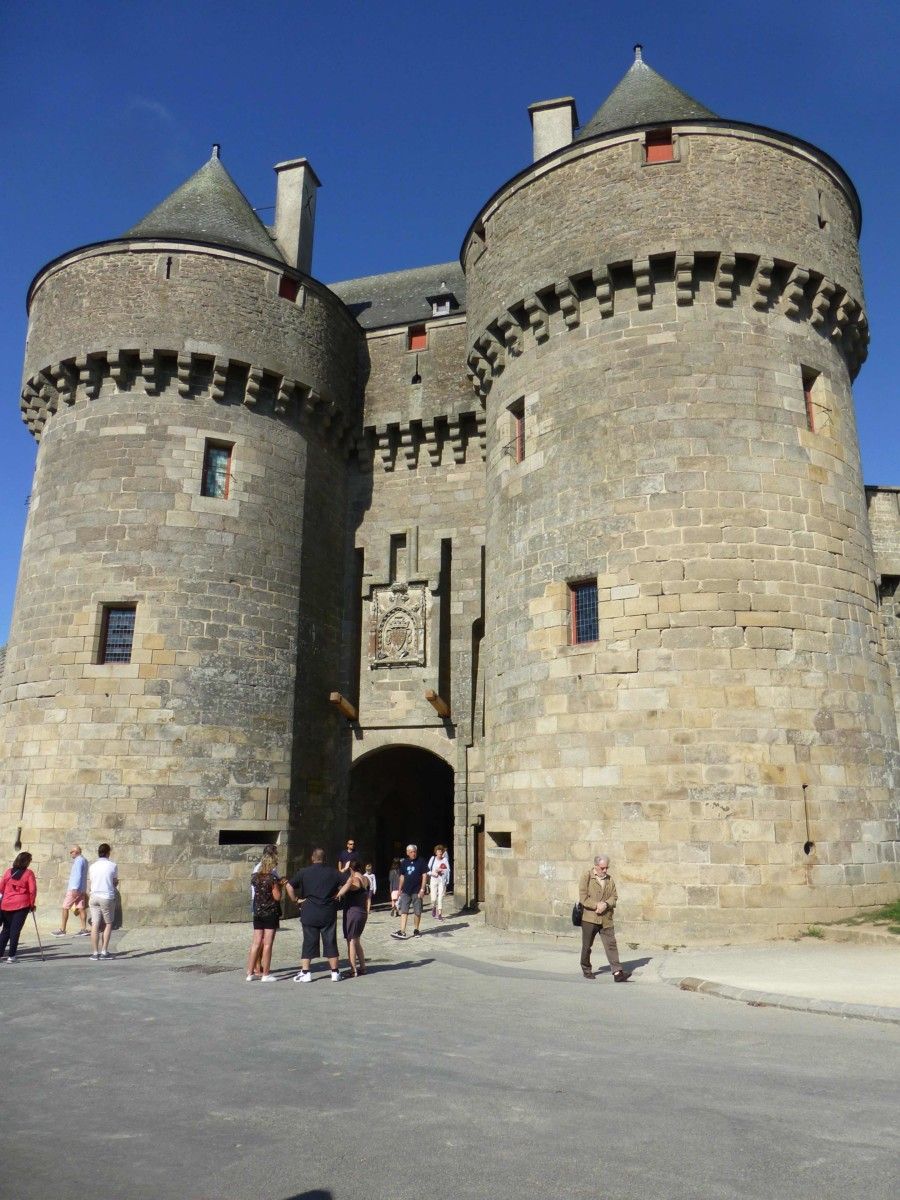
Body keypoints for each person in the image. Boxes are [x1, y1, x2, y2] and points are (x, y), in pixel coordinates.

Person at [286, 848, 343, 982]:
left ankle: (306, 972)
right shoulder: (333, 872)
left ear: (312, 858)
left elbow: (289, 886)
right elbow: (348, 881)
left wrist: (296, 900)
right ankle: (334, 972)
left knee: (308, 942)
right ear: (325, 858)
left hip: (309, 911)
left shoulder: (304, 872)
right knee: (330, 941)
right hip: (327, 911)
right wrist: (339, 894)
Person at [579, 855, 630, 982]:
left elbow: (614, 896)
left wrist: (606, 904)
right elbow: (583, 898)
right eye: (603, 868)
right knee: (587, 946)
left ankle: (617, 973)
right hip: (590, 918)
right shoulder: (586, 877)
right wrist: (597, 905)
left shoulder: (609, 879)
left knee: (611, 945)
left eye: (607, 867)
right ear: (596, 866)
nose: (605, 870)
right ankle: (586, 969)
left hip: (606, 917)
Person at [247, 850, 282, 982]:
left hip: (257, 912)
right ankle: (265, 974)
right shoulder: (272, 878)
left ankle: (250, 973)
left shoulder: (255, 877)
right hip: (270, 912)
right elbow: (277, 897)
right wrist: (280, 886)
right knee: (267, 944)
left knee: (256, 943)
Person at [0, 852, 38, 963]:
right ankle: (11, 956)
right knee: (15, 931)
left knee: (6, 930)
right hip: (21, 905)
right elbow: (32, 890)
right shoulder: (28, 873)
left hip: (6, 904)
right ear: (27, 861)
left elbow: (1, 888)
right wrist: (32, 904)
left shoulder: (8, 872)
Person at [337, 859, 370, 977]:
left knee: (351, 941)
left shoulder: (354, 879)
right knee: (356, 940)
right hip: (361, 912)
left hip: (353, 912)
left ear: (350, 868)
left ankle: (353, 969)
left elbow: (346, 887)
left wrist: (344, 872)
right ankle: (363, 967)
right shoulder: (365, 878)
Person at [87, 843, 119, 961]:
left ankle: (95, 953)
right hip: (106, 896)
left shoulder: (92, 866)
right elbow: (114, 882)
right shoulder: (113, 865)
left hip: (94, 896)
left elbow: (91, 882)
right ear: (108, 852)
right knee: (108, 923)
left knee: (95, 924)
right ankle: (104, 951)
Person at [390, 844, 428, 940]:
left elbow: (424, 875)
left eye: (414, 851)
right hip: (406, 891)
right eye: (411, 852)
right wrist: (399, 889)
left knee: (417, 911)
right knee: (404, 911)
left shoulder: (421, 861)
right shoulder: (404, 863)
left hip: (417, 890)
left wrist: (422, 889)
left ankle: (416, 929)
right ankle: (402, 931)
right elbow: (402, 876)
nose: (413, 853)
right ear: (407, 853)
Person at [53, 845, 89, 936]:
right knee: (81, 908)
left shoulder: (78, 861)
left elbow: (77, 875)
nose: (70, 853)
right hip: (82, 889)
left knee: (65, 907)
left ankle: (62, 930)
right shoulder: (84, 860)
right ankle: (84, 929)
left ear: (76, 852)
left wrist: (74, 889)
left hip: (75, 889)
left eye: (71, 852)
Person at [427, 844, 451, 920]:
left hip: (442, 880)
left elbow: (448, 870)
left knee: (440, 897)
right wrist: (434, 872)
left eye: (441, 853)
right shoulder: (432, 859)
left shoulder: (445, 860)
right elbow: (427, 870)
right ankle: (433, 907)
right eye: (438, 852)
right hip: (434, 879)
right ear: (436, 852)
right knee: (433, 898)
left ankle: (440, 914)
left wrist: (447, 881)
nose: (440, 854)